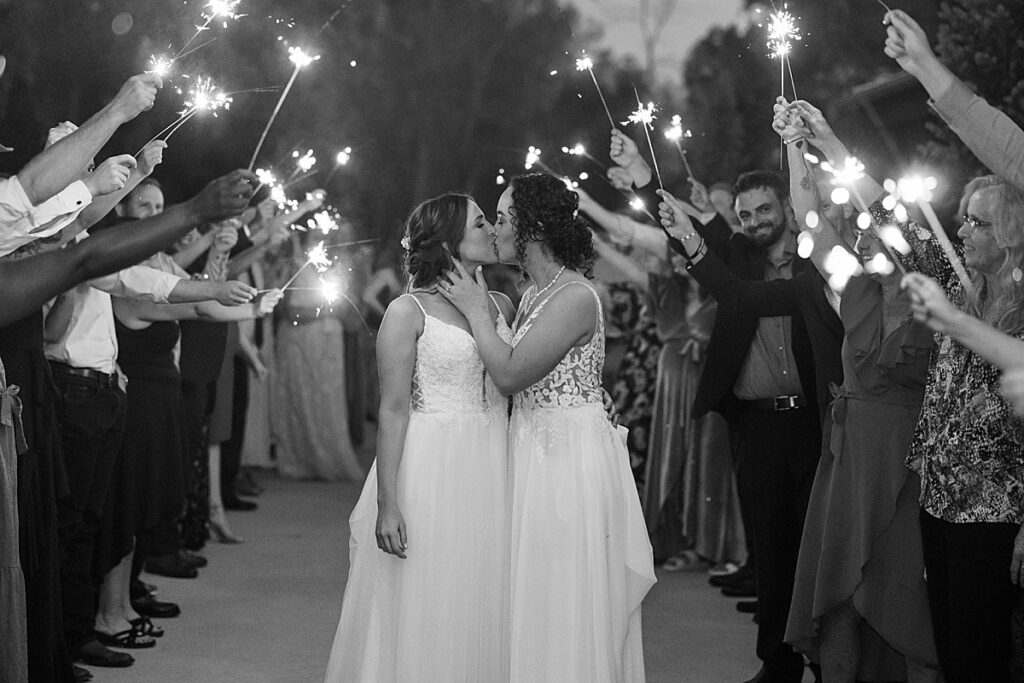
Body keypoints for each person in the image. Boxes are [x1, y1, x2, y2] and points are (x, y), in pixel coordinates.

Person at [441, 173, 655, 682]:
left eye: (501, 217)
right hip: (534, 450)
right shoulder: (533, 291)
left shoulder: (576, 296)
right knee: (534, 590)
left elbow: (512, 373)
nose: (493, 229)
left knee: (564, 591)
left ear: (531, 226)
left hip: (567, 464)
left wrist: (475, 309)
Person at [324, 193, 514, 682]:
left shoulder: (502, 302)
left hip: (495, 461)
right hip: (433, 467)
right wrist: (387, 502)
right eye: (480, 222)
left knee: (484, 588)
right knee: (429, 592)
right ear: (450, 241)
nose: (492, 228)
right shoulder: (407, 312)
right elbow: (392, 409)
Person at [893, 174, 1024, 682]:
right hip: (940, 499)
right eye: (963, 218)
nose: (962, 231)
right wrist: (827, 141)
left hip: (996, 511)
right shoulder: (958, 288)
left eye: (977, 222)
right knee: (950, 644)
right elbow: (900, 227)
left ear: (1011, 234)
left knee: (982, 654)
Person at [273, 229, 364, 482]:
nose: (320, 244)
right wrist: (323, 312)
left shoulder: (328, 269)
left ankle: (330, 455)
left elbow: (346, 310)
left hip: (328, 345)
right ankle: (305, 457)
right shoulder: (297, 268)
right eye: (313, 239)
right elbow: (289, 312)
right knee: (304, 398)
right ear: (301, 243)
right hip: (303, 344)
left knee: (329, 401)